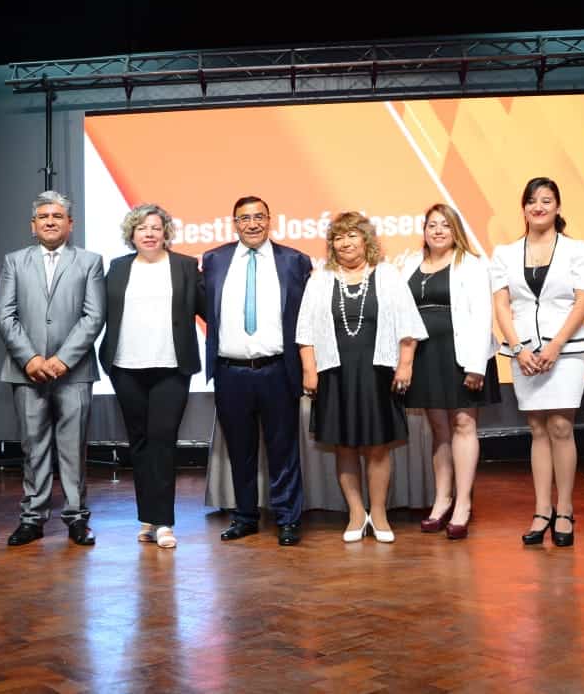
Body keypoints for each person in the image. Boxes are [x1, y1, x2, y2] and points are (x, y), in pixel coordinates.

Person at [297, 212, 426, 543]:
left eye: (352, 235)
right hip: (334, 374)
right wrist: (309, 370)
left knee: (378, 447)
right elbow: (305, 331)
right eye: (338, 237)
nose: (345, 243)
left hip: (378, 373)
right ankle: (356, 513)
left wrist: (405, 365)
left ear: (366, 240)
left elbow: (408, 326)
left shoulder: (387, 275)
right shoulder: (320, 279)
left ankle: (379, 513)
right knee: (344, 446)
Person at [0, 191, 106, 547]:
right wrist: (30, 358)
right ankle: (33, 519)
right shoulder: (14, 261)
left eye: (57, 216)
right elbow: (4, 314)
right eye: (43, 216)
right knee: (33, 447)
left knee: (73, 449)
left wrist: (62, 359)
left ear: (70, 224)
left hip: (74, 371)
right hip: (26, 371)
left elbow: (94, 316)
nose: (50, 221)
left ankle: (76, 517)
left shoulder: (89, 262)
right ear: (33, 225)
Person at [201, 196, 312, 546]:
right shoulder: (214, 260)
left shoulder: (294, 261)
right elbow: (206, 308)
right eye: (244, 218)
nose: (252, 224)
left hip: (278, 370)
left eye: (259, 217)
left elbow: (307, 316)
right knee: (240, 450)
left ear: (269, 220)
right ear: (234, 223)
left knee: (284, 451)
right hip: (230, 372)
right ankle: (245, 517)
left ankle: (288, 520)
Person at [491, 177, 584, 547]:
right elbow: (502, 304)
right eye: (532, 201)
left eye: (546, 200)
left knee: (562, 427)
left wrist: (556, 345)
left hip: (566, 349)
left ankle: (564, 510)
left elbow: (583, 300)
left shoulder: (577, 250)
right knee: (537, 429)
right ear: (523, 208)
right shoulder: (504, 253)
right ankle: (541, 510)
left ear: (558, 207)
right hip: (524, 352)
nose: (539, 207)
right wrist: (518, 348)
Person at [99, 204, 204, 549]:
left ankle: (164, 523)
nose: (149, 233)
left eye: (156, 227)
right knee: (140, 443)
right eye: (142, 227)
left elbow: (209, 308)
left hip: (171, 367)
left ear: (165, 233)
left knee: (162, 439)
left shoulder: (185, 266)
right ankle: (148, 518)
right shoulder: (118, 267)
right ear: (132, 234)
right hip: (126, 367)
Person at [403, 204, 499, 540]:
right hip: (425, 355)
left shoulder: (472, 264)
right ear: (424, 230)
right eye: (432, 225)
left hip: (462, 355)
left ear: (455, 230)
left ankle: (463, 504)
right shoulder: (409, 263)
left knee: (463, 425)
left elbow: (482, 315)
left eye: (445, 225)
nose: (438, 231)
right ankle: (442, 500)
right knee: (439, 429)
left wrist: (476, 365)